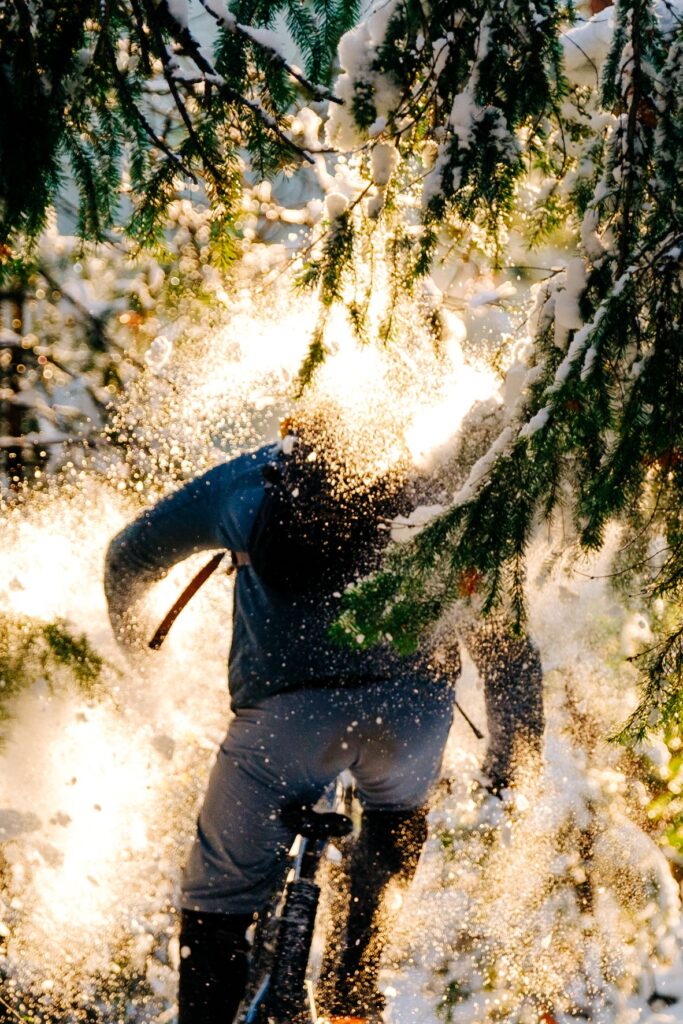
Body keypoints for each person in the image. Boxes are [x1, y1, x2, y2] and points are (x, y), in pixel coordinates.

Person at [104, 422, 543, 1024]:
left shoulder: (253, 480)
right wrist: (509, 764)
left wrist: (145, 677)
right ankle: (350, 990)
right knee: (396, 823)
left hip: (285, 729)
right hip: (407, 719)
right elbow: (508, 643)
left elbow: (127, 557)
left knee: (216, 901)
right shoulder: (440, 483)